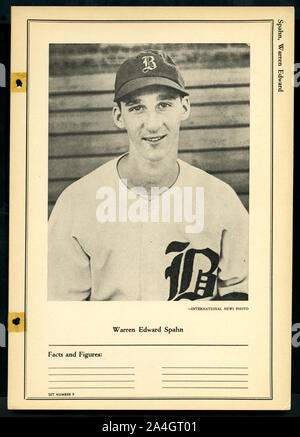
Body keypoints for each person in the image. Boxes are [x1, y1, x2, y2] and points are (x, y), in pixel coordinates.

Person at [48, 49, 248, 301]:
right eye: (137, 108)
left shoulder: (221, 198)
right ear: (119, 116)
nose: (152, 123)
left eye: (164, 105)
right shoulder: (77, 201)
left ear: (184, 107)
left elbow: (242, 293)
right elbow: (60, 311)